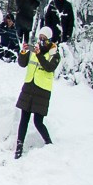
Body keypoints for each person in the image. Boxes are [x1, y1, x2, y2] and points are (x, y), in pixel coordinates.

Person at [14, 27, 60, 158]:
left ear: (49, 40)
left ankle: (49, 143)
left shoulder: (54, 54)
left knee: (38, 121)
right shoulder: (34, 50)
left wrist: (39, 54)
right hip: (29, 87)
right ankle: (19, 146)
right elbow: (22, 63)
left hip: (42, 91)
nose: (41, 41)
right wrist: (23, 52)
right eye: (40, 38)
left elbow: (49, 67)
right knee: (24, 119)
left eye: (44, 39)